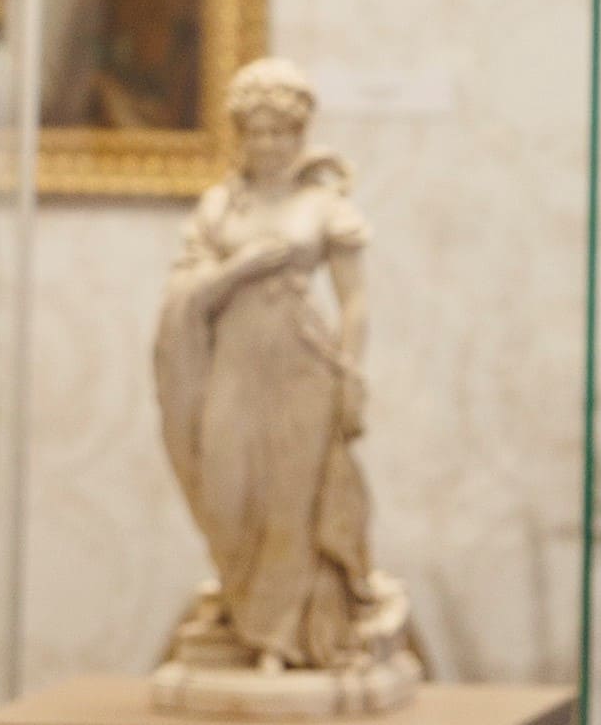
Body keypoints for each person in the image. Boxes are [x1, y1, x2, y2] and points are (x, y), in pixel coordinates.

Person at [152, 60, 417, 698]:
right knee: (227, 493)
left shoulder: (325, 206)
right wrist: (239, 269)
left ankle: (277, 639)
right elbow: (186, 291)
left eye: (281, 132)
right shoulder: (219, 208)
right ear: (240, 136)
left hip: (302, 366)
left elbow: (354, 301)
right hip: (234, 366)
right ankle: (242, 609)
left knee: (291, 503)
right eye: (256, 132)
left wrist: (350, 374)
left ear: (300, 136)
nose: (268, 145)